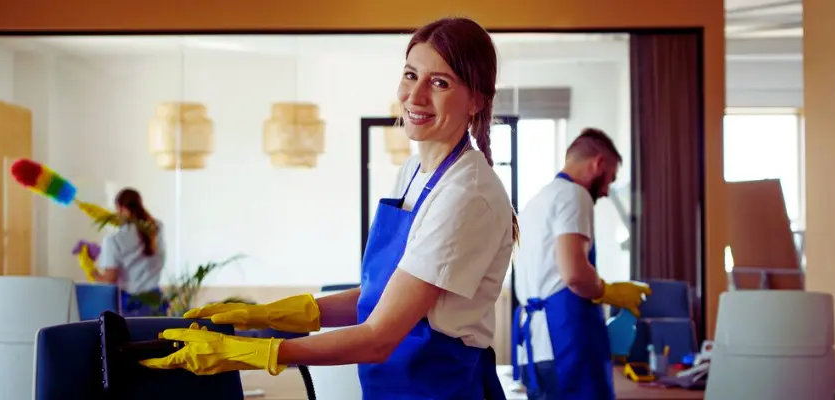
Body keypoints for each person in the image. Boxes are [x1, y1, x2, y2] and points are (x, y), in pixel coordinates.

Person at [141, 17, 517, 399]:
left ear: (477, 99)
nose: (415, 96)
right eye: (410, 75)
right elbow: (379, 299)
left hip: (438, 389)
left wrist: (254, 352)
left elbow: (378, 337)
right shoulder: (415, 172)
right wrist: (266, 315)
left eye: (440, 82)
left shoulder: (465, 195)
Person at [511, 128, 652, 400]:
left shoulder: (536, 201)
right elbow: (574, 274)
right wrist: (609, 292)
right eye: (610, 178)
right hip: (566, 344)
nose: (608, 191)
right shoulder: (575, 195)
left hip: (536, 344)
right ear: (598, 163)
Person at [90, 188, 168, 317]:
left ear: (121, 209)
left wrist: (92, 271)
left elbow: (110, 279)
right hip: (156, 302)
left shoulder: (114, 240)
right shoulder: (157, 228)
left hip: (132, 306)